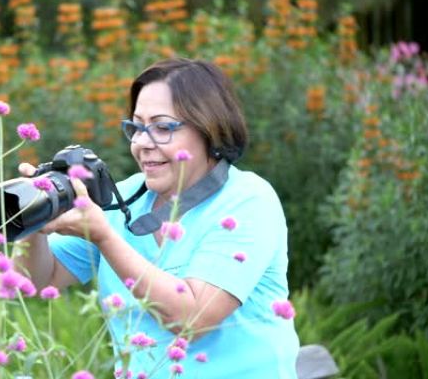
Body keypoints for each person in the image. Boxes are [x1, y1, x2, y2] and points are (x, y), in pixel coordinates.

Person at [16, 58, 299, 379]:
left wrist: (104, 238)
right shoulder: (122, 198)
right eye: (136, 127)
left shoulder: (248, 200)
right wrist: (36, 215)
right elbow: (39, 281)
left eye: (162, 127)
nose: (142, 143)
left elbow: (192, 320)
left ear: (210, 129)